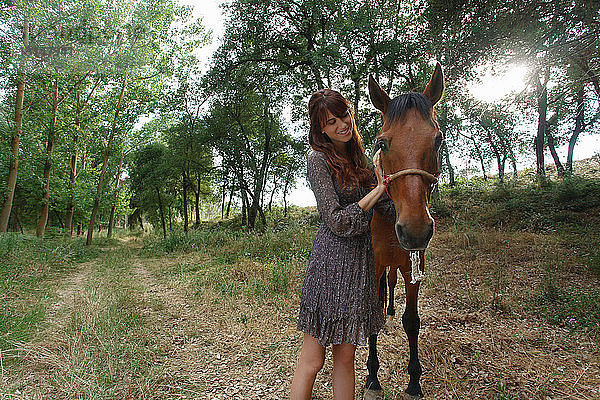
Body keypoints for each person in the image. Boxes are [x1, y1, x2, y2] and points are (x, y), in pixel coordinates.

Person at [290, 89, 396, 400]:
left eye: (345, 116)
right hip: (329, 265)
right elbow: (335, 220)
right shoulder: (318, 160)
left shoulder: (360, 158)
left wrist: (402, 182)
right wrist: (376, 192)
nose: (342, 125)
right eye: (332, 121)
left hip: (360, 267)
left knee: (346, 358)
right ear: (321, 128)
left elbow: (388, 209)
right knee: (313, 359)